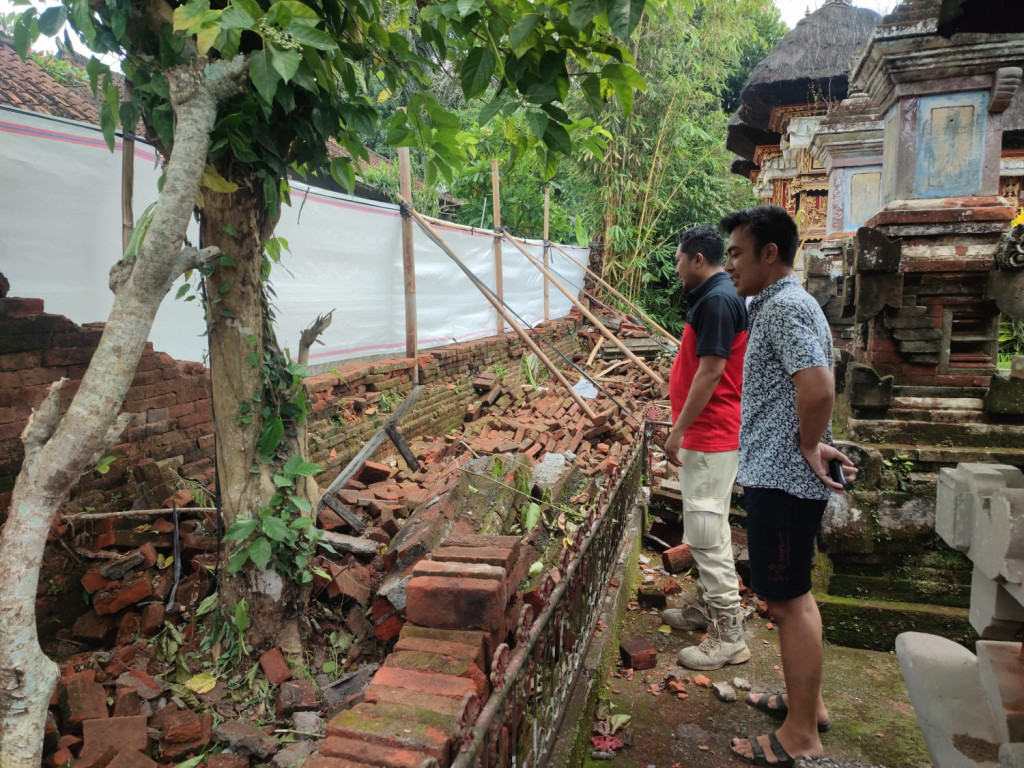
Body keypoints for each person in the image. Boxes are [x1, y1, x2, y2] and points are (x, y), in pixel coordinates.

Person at [720, 205, 857, 766]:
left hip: (781, 478)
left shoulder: (781, 309)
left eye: (736, 252)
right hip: (779, 472)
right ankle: (809, 706)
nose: (729, 263)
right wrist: (813, 439)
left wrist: (806, 443)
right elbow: (801, 392)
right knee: (792, 598)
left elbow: (820, 387)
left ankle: (801, 735)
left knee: (787, 603)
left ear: (768, 253)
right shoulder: (781, 304)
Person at [660, 225, 750, 670]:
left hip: (710, 434)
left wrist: (678, 429)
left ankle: (729, 635)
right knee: (706, 528)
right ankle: (704, 610)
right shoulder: (714, 296)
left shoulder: (716, 300)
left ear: (698, 258)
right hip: (708, 434)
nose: (675, 268)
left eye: (678, 259)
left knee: (706, 533)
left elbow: (711, 373)